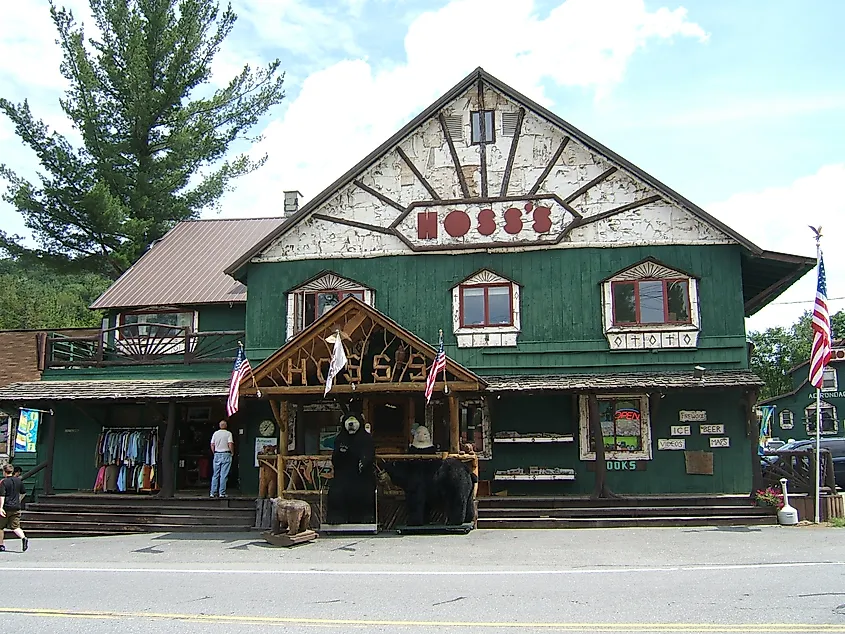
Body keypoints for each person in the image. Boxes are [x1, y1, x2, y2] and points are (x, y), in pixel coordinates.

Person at [0, 463, 28, 552]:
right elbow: (23, 492)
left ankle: (1, 545)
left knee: (0, 527)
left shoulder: (3, 482)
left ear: (4, 472)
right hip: (16, 507)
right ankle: (23, 538)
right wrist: (18, 500)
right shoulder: (18, 481)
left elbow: (2, 495)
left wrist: (0, 507)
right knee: (16, 527)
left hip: (6, 507)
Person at [209, 420, 234, 498]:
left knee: (215, 474)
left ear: (219, 426)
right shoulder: (228, 434)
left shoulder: (215, 433)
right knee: (224, 474)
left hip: (217, 454)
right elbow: (230, 444)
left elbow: (212, 444)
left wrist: (214, 452)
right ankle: (221, 493)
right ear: (226, 426)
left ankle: (213, 492)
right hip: (226, 453)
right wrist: (232, 452)